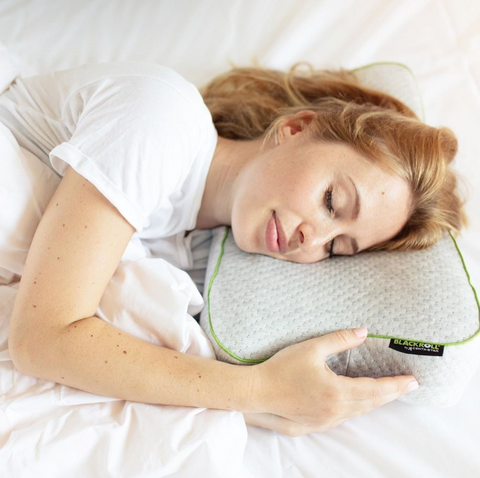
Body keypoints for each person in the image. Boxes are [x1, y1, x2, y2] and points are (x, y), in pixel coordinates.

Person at [4, 60, 466, 438]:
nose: (314, 239)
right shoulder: (163, 114)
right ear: (297, 128)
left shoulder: (189, 257)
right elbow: (42, 338)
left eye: (337, 249)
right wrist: (259, 391)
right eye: (331, 201)